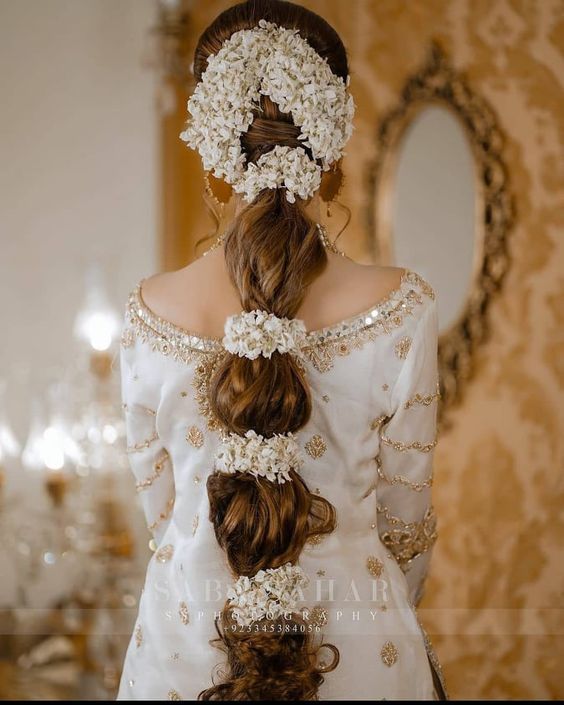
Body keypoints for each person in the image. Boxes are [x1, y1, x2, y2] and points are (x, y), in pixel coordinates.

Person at [117, 0, 447, 700]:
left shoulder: (147, 315)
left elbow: (165, 522)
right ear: (330, 138)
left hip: (185, 647)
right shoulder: (402, 307)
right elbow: (405, 526)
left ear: (212, 142)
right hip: (358, 651)